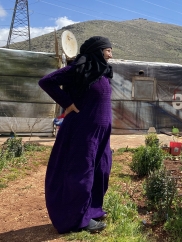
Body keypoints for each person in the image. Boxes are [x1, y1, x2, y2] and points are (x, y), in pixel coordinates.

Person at [38, 36, 114, 234]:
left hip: (102, 133)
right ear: (97, 51)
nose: (111, 54)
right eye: (108, 50)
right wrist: (67, 103)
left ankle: (93, 209)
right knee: (82, 173)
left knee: (102, 170)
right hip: (83, 130)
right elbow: (46, 81)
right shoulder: (78, 69)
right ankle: (77, 219)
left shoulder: (103, 73)